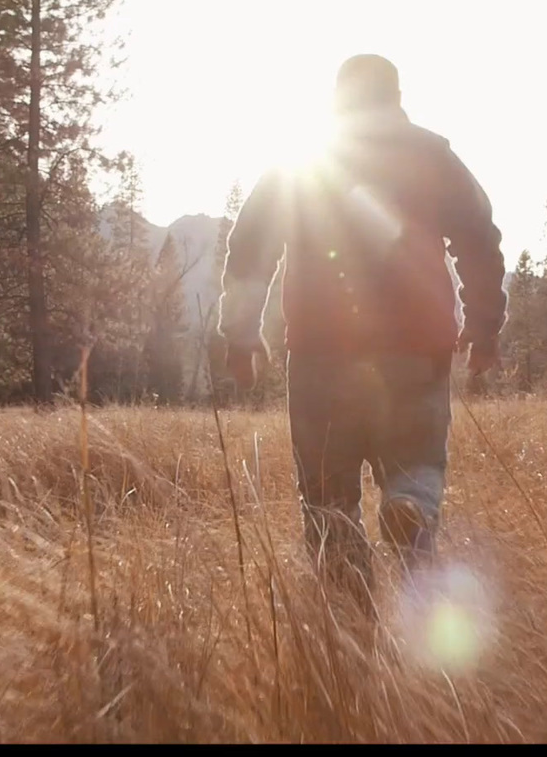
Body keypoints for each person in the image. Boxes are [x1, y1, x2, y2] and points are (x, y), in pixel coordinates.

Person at [217, 53, 508, 619]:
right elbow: (480, 237)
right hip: (416, 353)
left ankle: (350, 637)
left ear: (337, 99)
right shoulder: (432, 155)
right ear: (396, 97)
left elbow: (251, 245)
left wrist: (241, 333)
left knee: (328, 502)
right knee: (417, 463)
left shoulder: (303, 162)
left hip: (322, 357)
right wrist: (484, 325)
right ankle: (411, 506)